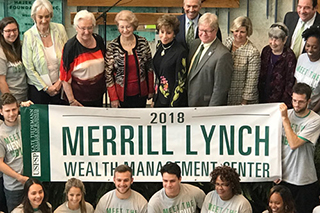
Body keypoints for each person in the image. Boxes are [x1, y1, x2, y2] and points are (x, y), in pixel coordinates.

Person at [279, 83, 320, 213]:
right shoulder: (287, 114)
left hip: (303, 180)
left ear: (309, 101)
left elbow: (294, 144)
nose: (296, 105)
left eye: (301, 102)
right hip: (283, 177)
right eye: (294, 100)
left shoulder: (315, 120)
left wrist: (285, 119)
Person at [22, 0, 68, 105]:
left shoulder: (60, 29)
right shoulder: (28, 36)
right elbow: (29, 68)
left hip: (60, 86)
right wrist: (46, 88)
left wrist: (59, 82)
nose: (44, 20)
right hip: (38, 90)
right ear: (34, 17)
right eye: (40, 17)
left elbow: (67, 57)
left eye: (47, 16)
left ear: (51, 16)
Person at [105, 10, 154, 108]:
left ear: (134, 26)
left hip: (141, 94)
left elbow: (149, 67)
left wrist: (151, 90)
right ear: (118, 27)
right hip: (120, 96)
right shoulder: (112, 46)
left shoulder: (143, 42)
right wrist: (113, 97)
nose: (125, 30)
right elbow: (108, 74)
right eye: (121, 27)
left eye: (128, 26)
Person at [60, 10, 106, 107]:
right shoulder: (70, 47)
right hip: (78, 100)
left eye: (90, 27)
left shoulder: (99, 40)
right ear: (76, 28)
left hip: (97, 96)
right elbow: (64, 77)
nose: (87, 32)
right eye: (83, 28)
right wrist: (72, 100)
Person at [187, 13, 233, 107]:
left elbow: (220, 89)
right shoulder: (194, 44)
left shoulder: (223, 55)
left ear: (215, 30)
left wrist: (211, 112)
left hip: (205, 106)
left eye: (207, 31)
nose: (203, 34)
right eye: (201, 30)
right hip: (189, 102)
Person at [0, 93, 32, 212]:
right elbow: (0, 163)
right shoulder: (1, 134)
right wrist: (19, 178)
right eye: (7, 111)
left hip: (33, 182)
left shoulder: (24, 118)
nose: (12, 113)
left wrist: (29, 108)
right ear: (1, 111)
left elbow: (38, 116)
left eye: (14, 109)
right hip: (14, 187)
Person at [152, 14, 188, 107]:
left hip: (172, 101)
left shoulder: (180, 52)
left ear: (174, 34)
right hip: (159, 97)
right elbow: (158, 75)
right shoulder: (159, 46)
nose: (164, 36)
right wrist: (154, 98)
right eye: (162, 32)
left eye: (168, 33)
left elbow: (180, 82)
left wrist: (173, 105)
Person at [224, 16, 260, 105]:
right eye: (236, 31)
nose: (238, 35)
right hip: (226, 94)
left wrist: (244, 102)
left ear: (248, 32)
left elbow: (251, 81)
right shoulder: (227, 42)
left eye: (242, 32)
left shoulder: (253, 52)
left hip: (241, 99)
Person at [258, 22, 296, 107]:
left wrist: (284, 103)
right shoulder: (266, 51)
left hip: (279, 101)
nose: (273, 43)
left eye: (277, 39)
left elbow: (289, 82)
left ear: (284, 40)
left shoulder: (289, 56)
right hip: (263, 96)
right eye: (271, 38)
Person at [0, 17, 27, 102]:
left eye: (14, 30)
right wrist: (11, 103)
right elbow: (1, 81)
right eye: (8, 31)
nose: (12, 34)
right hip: (12, 100)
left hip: (25, 96)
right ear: (1, 32)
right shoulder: (1, 52)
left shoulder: (21, 45)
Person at [294, 25, 320, 113]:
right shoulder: (302, 58)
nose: (310, 50)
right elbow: (296, 82)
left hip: (314, 111)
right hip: (297, 108)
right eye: (308, 45)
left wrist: (311, 114)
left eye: (314, 47)